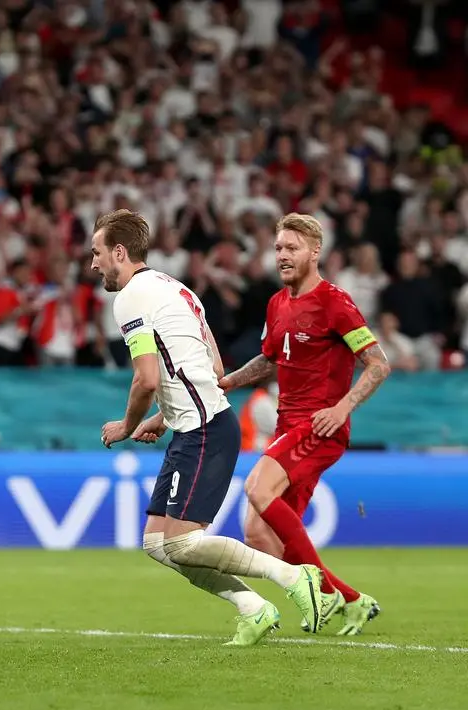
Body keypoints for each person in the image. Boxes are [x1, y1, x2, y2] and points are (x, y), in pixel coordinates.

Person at [91, 209, 328, 647]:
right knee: (157, 544)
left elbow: (146, 377)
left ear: (119, 252)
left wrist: (127, 425)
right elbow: (212, 368)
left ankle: (293, 575)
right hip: (198, 426)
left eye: (98, 252)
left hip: (204, 430)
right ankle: (253, 608)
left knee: (181, 544)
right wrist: (163, 416)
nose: (94, 263)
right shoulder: (176, 290)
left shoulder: (129, 299)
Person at [220, 213, 389, 635]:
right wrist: (229, 381)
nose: (282, 255)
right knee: (258, 533)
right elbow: (269, 359)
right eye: (278, 248)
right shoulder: (277, 303)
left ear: (316, 252)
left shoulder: (335, 302)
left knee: (257, 488)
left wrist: (342, 408)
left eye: (291, 247)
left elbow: (377, 365)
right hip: (287, 428)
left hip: (320, 426)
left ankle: (323, 595)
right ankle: (351, 600)